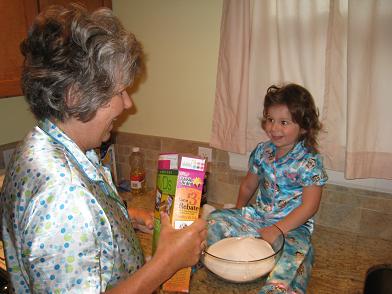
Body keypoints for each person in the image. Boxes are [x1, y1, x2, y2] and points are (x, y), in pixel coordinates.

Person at [0, 4, 206, 293]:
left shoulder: (45, 145)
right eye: (119, 92)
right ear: (75, 96)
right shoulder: (62, 195)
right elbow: (71, 213)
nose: (128, 104)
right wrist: (167, 263)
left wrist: (126, 218)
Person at [207, 83, 328, 293]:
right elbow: (248, 186)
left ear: (305, 127)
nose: (274, 128)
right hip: (258, 217)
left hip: (292, 227)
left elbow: (310, 206)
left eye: (284, 122)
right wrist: (238, 211)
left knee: (295, 260)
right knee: (213, 220)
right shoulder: (262, 152)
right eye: (270, 120)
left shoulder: (309, 161)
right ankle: (203, 260)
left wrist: (278, 229)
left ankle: (275, 288)